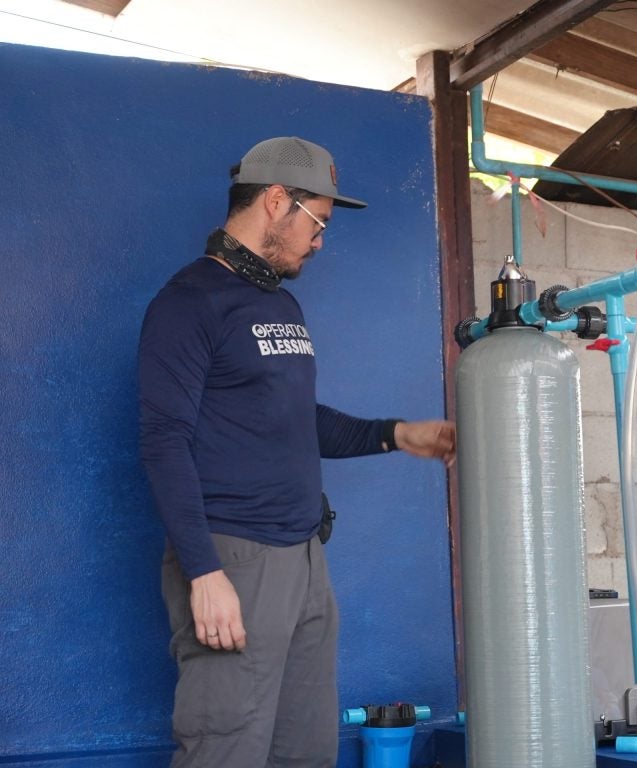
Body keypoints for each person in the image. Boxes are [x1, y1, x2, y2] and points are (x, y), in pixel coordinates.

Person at [138, 136, 455, 767]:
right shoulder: (189, 302)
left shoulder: (280, 303)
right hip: (234, 558)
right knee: (223, 750)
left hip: (305, 558)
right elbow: (163, 439)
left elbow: (292, 420)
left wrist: (398, 434)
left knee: (305, 752)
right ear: (276, 201)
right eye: (318, 222)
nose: (320, 241)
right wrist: (205, 574)